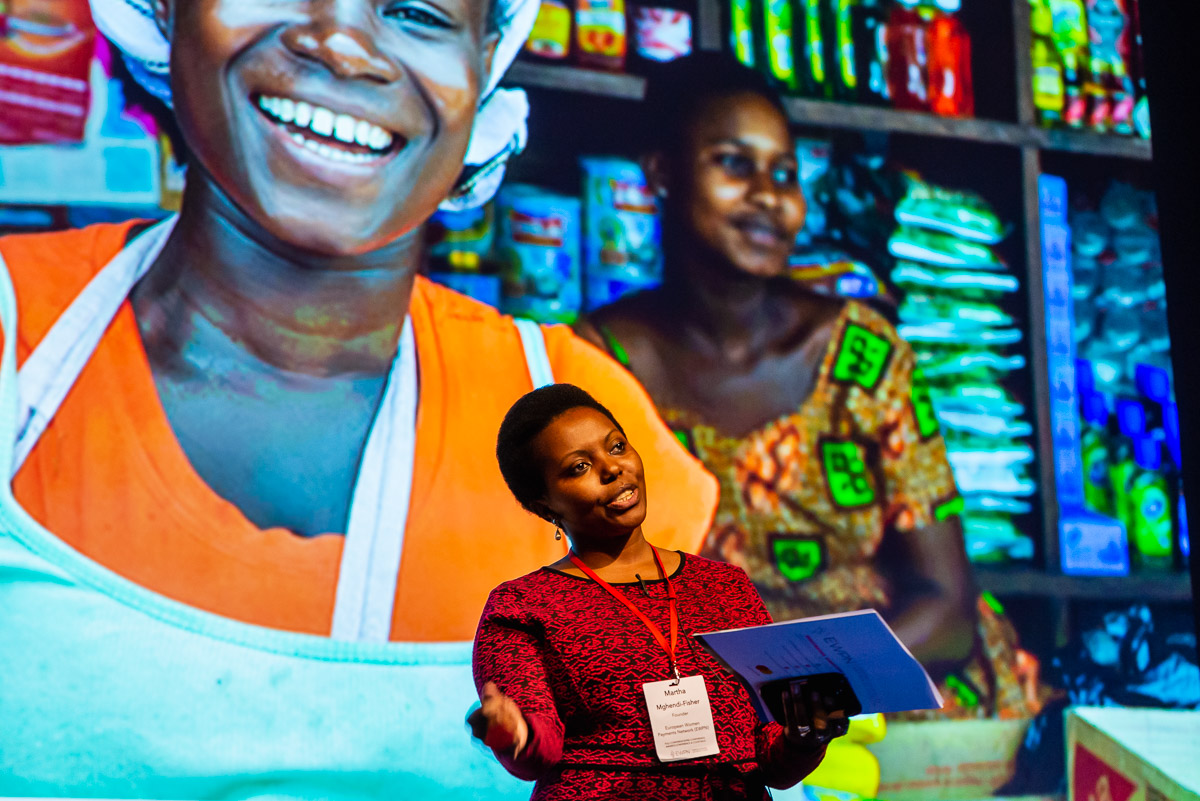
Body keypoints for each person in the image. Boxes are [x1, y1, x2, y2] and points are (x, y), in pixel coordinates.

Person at [0, 1, 716, 797]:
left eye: (417, 11)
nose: (340, 45)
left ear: (487, 64)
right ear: (164, 11)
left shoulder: (579, 423)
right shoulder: (17, 345)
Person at [576, 52, 1039, 720]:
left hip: (879, 699)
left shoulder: (862, 355)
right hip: (690, 711)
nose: (769, 194)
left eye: (785, 174)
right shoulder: (596, 362)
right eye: (735, 163)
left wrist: (791, 699)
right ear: (663, 173)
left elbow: (948, 609)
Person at [472, 383, 843, 799]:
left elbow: (770, 759)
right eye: (579, 467)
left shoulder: (726, 587)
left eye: (616, 447)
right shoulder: (523, 606)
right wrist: (514, 732)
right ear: (544, 504)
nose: (612, 469)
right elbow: (536, 748)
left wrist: (806, 734)